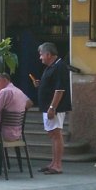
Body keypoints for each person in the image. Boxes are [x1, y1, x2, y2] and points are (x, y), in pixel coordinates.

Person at [32, 42, 71, 175]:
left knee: (56, 134)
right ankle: (53, 163)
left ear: (48, 54)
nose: (40, 57)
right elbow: (51, 85)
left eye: (41, 54)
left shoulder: (59, 66)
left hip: (55, 107)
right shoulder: (51, 67)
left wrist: (52, 107)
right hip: (48, 106)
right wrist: (40, 84)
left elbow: (59, 89)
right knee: (52, 134)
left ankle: (58, 165)